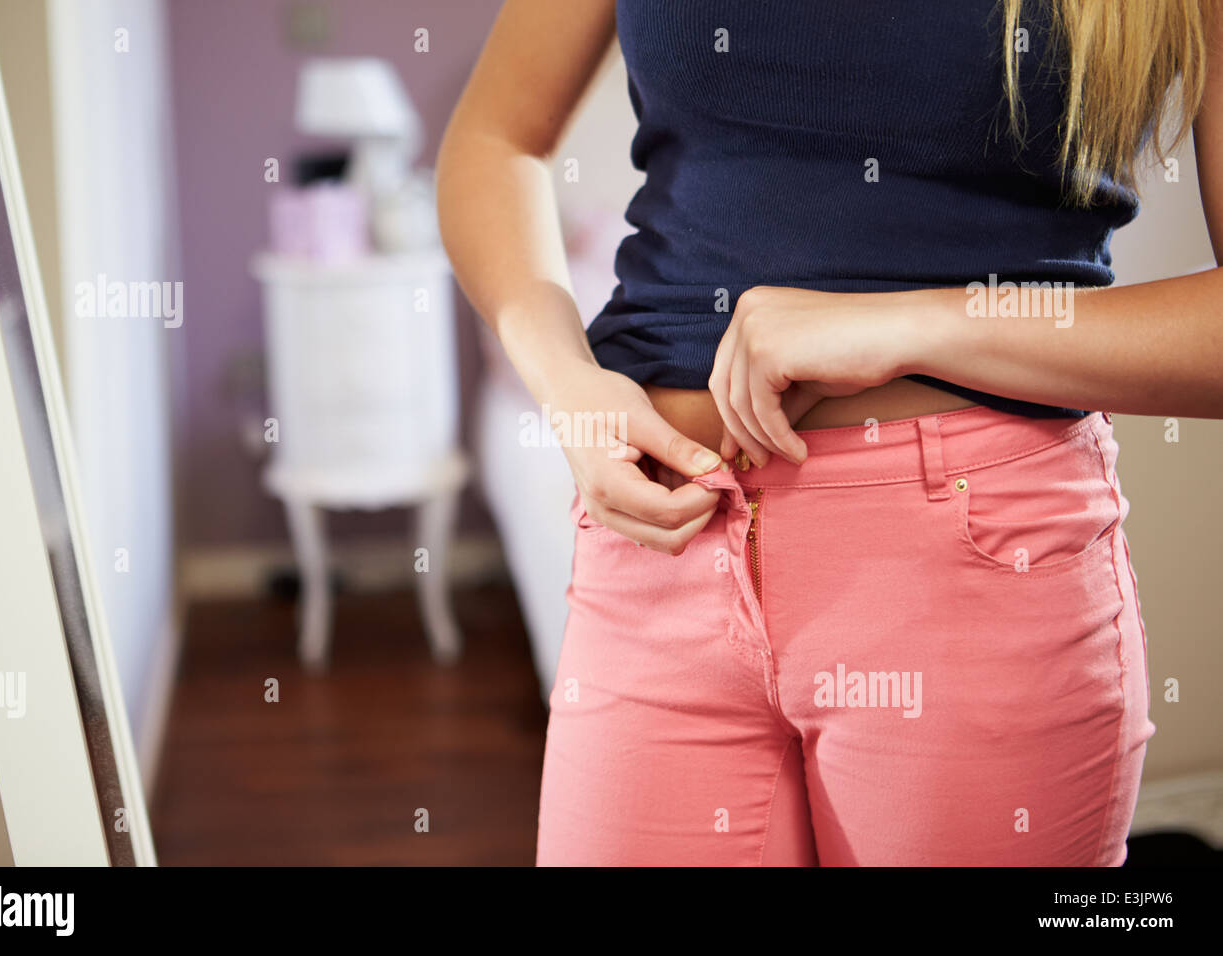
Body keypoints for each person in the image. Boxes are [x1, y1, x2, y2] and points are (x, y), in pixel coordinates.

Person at [436, 0, 1222, 865]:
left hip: (975, 573)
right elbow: (495, 138)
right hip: (661, 548)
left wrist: (908, 327)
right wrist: (567, 384)